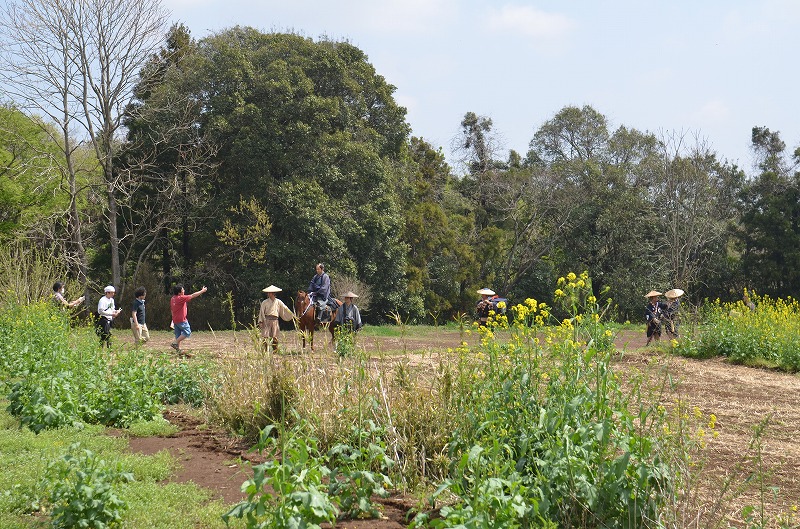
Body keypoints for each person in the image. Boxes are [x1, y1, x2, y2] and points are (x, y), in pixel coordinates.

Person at [170, 283, 207, 355]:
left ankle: (178, 350)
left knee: (178, 335)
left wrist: (172, 319)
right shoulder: (181, 298)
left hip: (175, 320)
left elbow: (172, 309)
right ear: (179, 292)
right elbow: (193, 295)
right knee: (187, 332)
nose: (184, 290)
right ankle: (175, 343)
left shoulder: (173, 298)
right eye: (183, 290)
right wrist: (202, 291)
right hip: (181, 320)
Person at [257, 285, 295, 352]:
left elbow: (285, 308)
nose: (268, 294)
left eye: (270, 293)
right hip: (267, 320)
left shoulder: (278, 302)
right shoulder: (264, 302)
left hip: (275, 321)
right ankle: (265, 350)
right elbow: (261, 312)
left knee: (275, 337)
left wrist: (292, 315)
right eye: (268, 293)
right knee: (265, 336)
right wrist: (260, 321)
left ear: (273, 293)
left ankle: (275, 351)